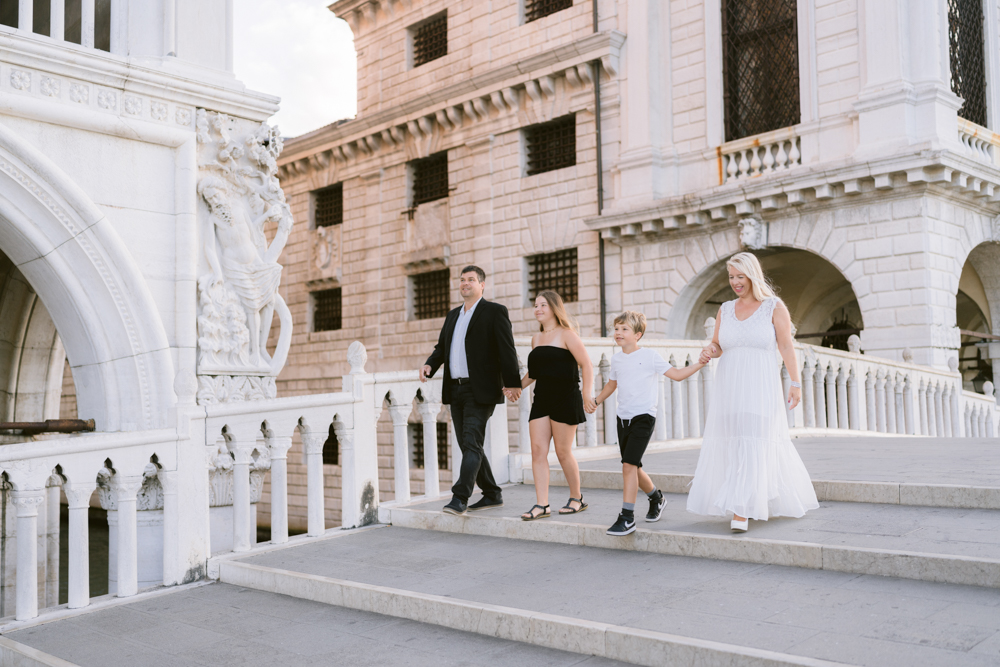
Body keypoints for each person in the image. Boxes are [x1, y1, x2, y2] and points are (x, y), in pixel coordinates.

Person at [688, 252, 819, 532]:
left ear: (752, 275)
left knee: (755, 440)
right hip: (730, 386)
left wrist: (795, 384)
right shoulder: (724, 309)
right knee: (736, 442)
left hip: (760, 386)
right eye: (731, 277)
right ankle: (744, 501)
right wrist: (711, 350)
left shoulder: (774, 306)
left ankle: (742, 509)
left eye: (740, 276)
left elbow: (785, 347)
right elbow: (718, 344)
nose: (735, 282)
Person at [593, 311, 706, 536]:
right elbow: (611, 385)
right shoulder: (616, 359)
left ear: (638, 334)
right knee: (632, 465)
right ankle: (657, 498)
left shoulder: (650, 356)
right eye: (616, 328)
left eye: (624, 329)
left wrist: (700, 364)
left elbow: (677, 374)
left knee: (628, 466)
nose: (618, 333)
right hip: (622, 419)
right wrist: (595, 401)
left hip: (643, 417)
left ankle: (627, 518)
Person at [420, 266, 522, 515]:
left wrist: (513, 382)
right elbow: (442, 347)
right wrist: (430, 364)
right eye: (462, 280)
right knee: (469, 445)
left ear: (482, 284)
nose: (465, 283)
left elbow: (507, 349)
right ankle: (492, 493)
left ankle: (460, 497)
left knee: (471, 442)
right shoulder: (453, 315)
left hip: (481, 390)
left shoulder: (495, 312)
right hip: (455, 390)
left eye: (471, 280)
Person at [518, 291, 596, 521]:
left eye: (543, 305)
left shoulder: (567, 334)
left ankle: (577, 498)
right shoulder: (536, 338)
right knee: (538, 451)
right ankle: (542, 504)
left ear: (554, 308)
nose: (538, 309)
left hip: (565, 397)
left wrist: (586, 394)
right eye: (535, 305)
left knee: (563, 452)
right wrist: (516, 387)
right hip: (541, 399)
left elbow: (587, 364)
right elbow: (534, 372)